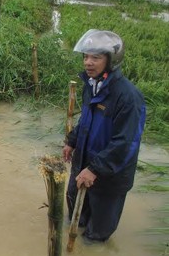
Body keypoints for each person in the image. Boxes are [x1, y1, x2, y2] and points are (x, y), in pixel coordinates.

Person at [62, 29, 146, 243]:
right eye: (85, 57)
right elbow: (86, 121)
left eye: (95, 58)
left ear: (111, 61)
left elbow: (125, 143)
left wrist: (95, 169)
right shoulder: (91, 86)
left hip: (109, 176)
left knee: (95, 237)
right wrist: (71, 142)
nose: (88, 63)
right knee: (74, 218)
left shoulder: (128, 97)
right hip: (83, 166)